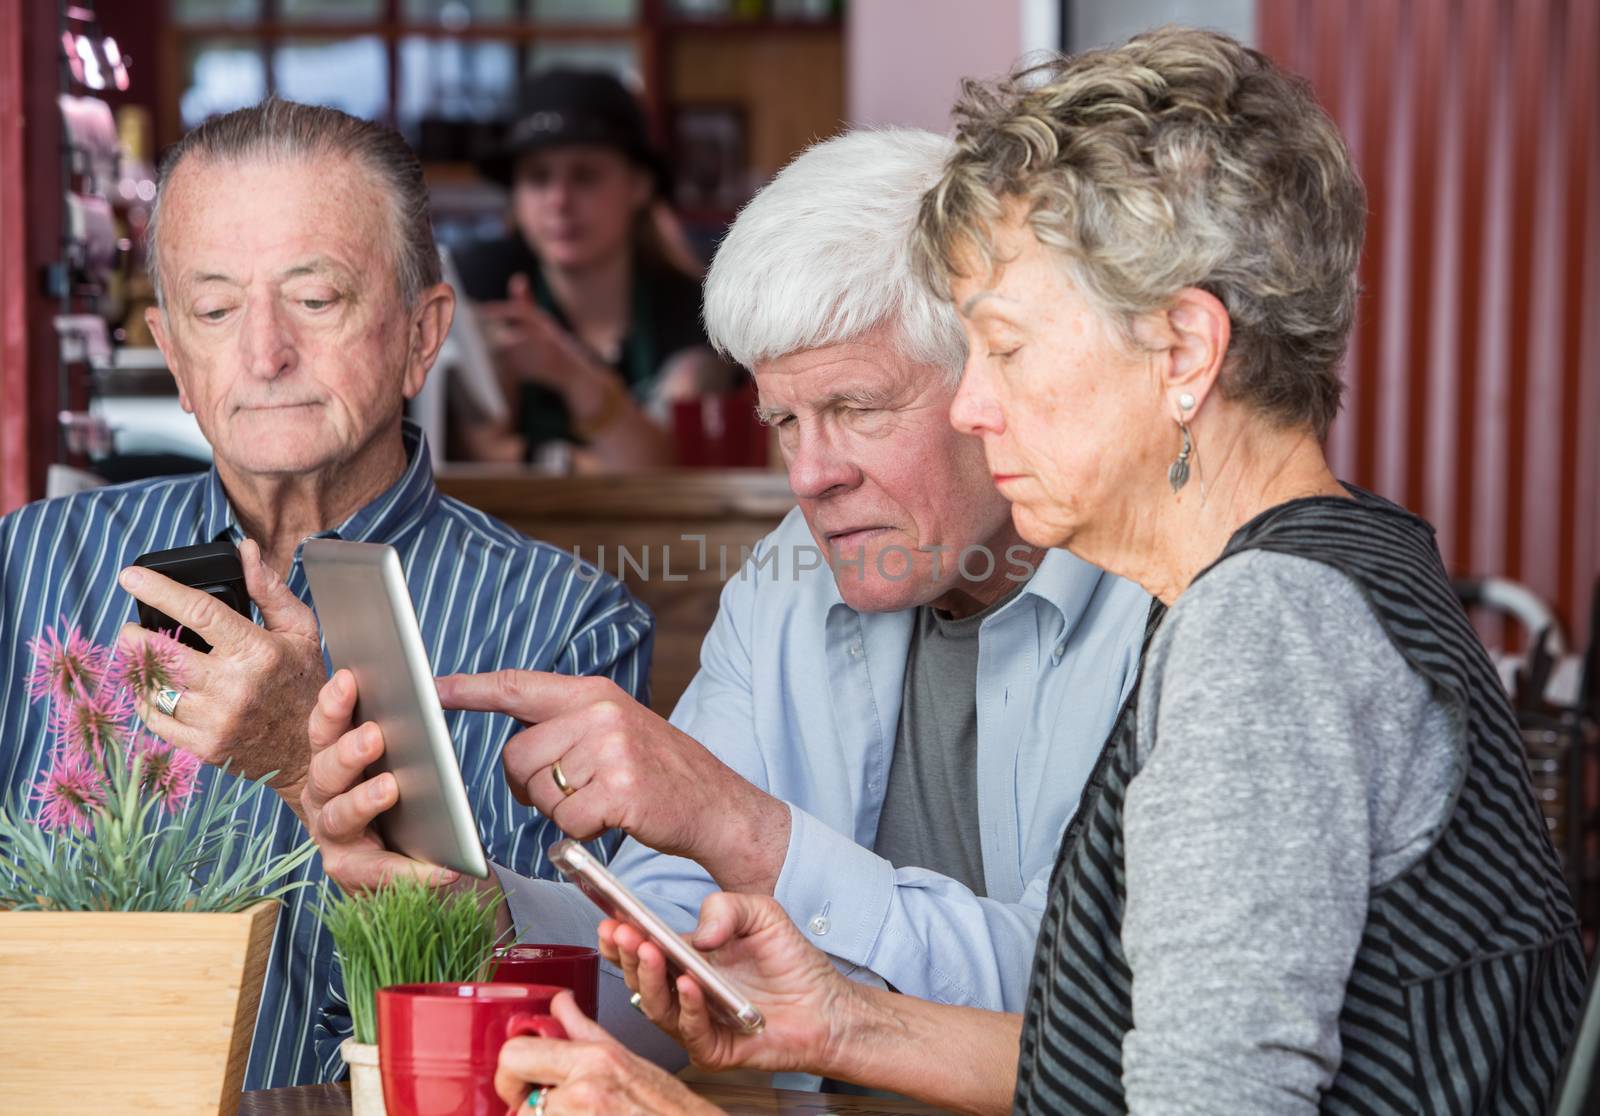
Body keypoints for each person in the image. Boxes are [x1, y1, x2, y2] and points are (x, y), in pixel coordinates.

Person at [488, 27, 1587, 1116]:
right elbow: (1108, 1057)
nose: (977, 403)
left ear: (1184, 353)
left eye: (1007, 348)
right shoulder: (1336, 566)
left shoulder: (1260, 627)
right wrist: (841, 1021)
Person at [299, 128, 1152, 1058]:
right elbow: (674, 973)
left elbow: (1099, 1004)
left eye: (858, 410)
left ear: (996, 376)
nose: (812, 476)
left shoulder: (1166, 601)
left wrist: (747, 833)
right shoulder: (790, 577)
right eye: (784, 420)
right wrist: (484, 907)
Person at [0, 98, 653, 1091]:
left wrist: (313, 769)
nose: (264, 355)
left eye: (317, 299)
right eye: (215, 311)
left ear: (421, 333)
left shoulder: (563, 622)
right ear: (171, 351)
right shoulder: (28, 568)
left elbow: (574, 1008)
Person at [451, 69, 731, 470]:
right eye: (537, 177)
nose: (559, 201)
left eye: (585, 176)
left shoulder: (700, 316)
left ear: (639, 185)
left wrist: (567, 372)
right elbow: (481, 459)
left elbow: (667, 472)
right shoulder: (479, 287)